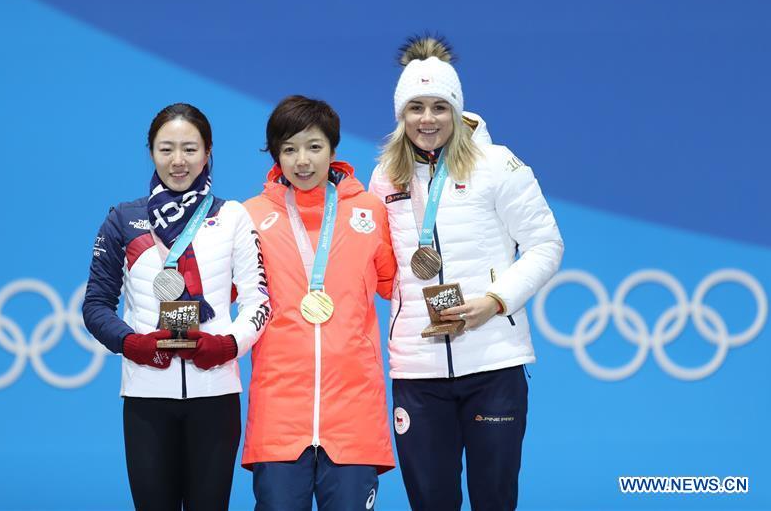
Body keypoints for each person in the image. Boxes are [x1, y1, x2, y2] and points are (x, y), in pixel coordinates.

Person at [368, 35, 564, 511]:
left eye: (440, 107)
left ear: (457, 111)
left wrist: (494, 301)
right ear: (400, 114)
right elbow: (377, 263)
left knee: (494, 500)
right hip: (417, 369)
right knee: (430, 502)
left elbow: (546, 244)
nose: (428, 119)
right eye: (416, 107)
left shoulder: (497, 165)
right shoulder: (384, 178)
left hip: (492, 363)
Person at [83, 103, 270, 511]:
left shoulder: (233, 217)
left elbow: (259, 301)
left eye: (190, 148)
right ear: (151, 151)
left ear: (208, 152)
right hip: (146, 396)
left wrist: (227, 345)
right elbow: (96, 305)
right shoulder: (123, 219)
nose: (178, 161)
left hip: (215, 393)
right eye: (166, 149)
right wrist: (131, 343)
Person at [241, 96, 397, 511]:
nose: (302, 161)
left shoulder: (369, 211)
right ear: (276, 156)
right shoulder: (250, 217)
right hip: (278, 414)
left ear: (333, 149)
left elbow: (396, 286)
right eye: (289, 149)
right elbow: (227, 296)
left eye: (314, 146)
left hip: (354, 414)